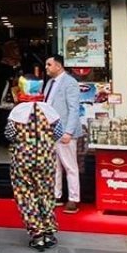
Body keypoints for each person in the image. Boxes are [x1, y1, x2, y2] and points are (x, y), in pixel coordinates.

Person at [5, 76, 62, 250]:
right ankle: (49, 231)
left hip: (22, 160)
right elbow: (58, 133)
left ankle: (36, 233)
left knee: (25, 195)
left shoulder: (17, 112)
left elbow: (9, 135)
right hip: (46, 159)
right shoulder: (49, 110)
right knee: (46, 193)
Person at [44, 54, 83, 213]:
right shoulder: (49, 83)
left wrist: (69, 131)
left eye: (49, 64)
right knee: (54, 166)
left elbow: (74, 109)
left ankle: (73, 198)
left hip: (65, 131)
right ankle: (56, 194)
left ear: (58, 66)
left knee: (70, 166)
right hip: (50, 130)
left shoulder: (70, 83)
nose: (46, 67)